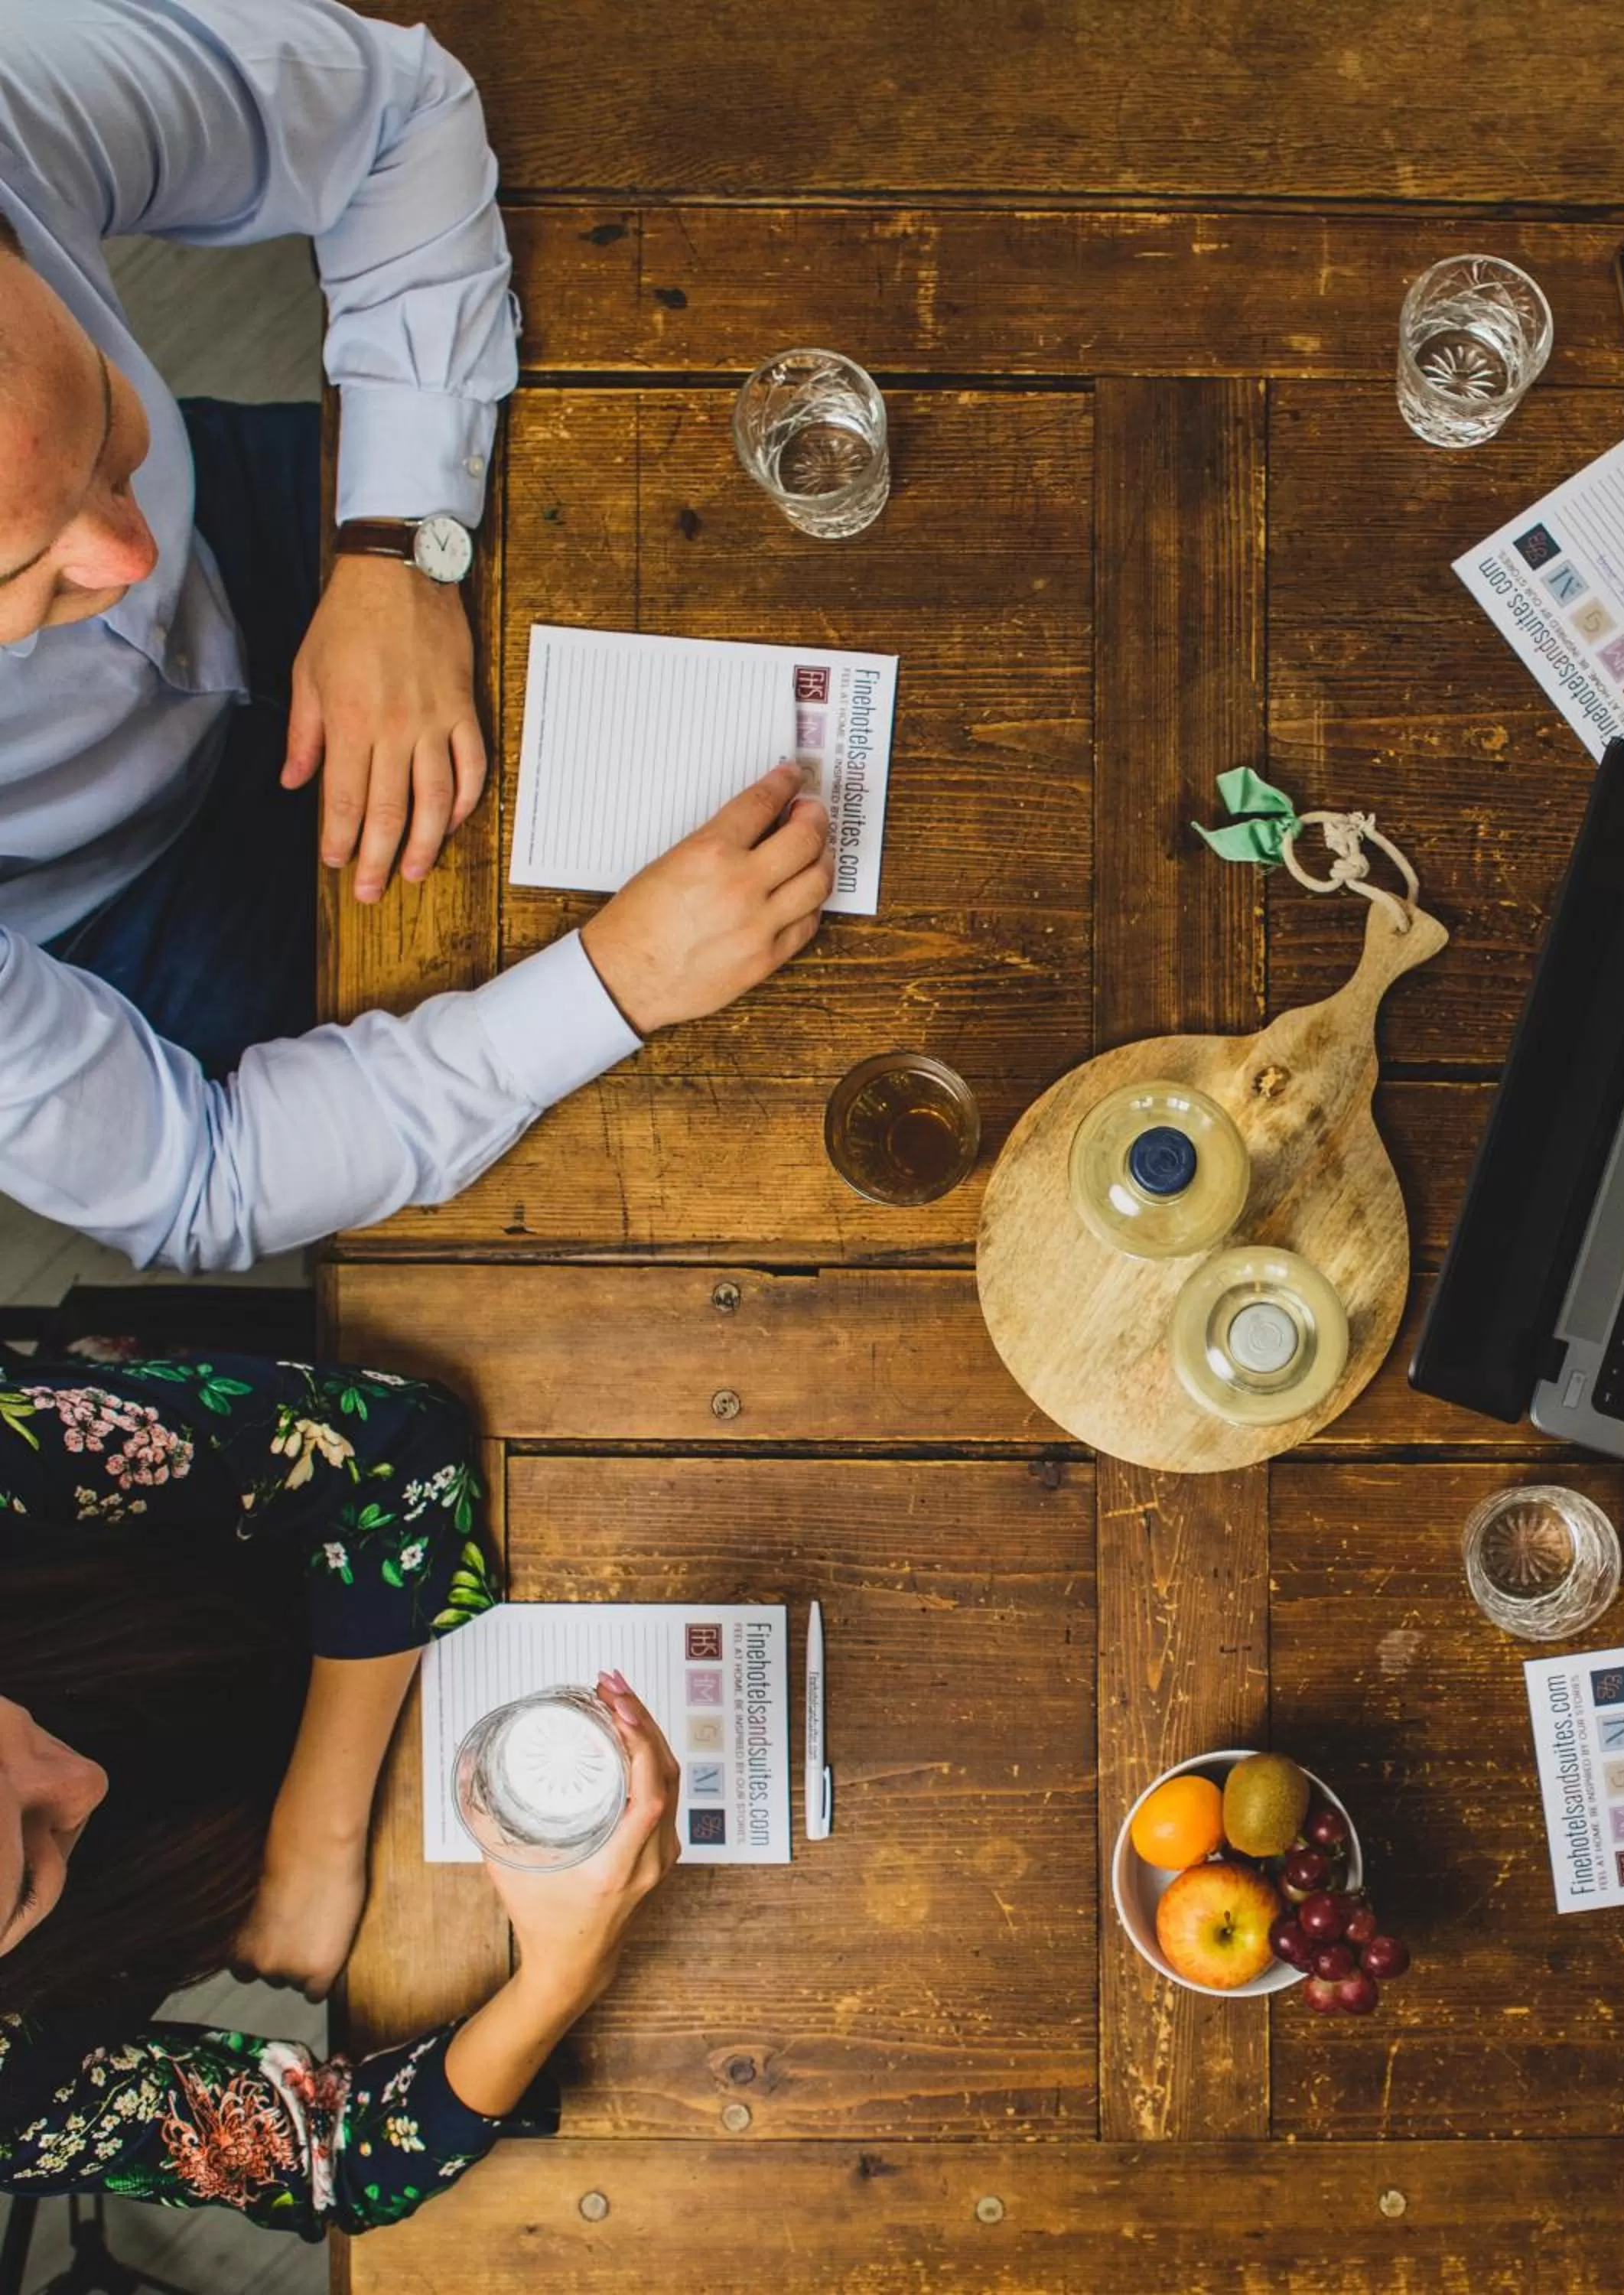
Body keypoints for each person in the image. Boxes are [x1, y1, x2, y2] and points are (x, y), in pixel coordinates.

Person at [0, 0, 832, 1271]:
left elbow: (395, 110)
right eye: (23, 576)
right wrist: (615, 984)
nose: (130, 560)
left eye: (106, 422)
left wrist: (398, 544)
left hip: (291, 532)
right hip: (126, 910)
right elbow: (201, 1182)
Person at [0, 1352, 679, 2234]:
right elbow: (333, 2156)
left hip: (285, 1589)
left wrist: (313, 1839)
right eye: (23, 1889)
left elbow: (393, 1448)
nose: (81, 1785)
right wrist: (565, 1971)